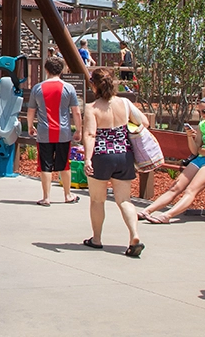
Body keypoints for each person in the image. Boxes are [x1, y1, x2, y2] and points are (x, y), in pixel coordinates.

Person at [81, 69, 145, 257]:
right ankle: (134, 235)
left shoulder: (92, 108)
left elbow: (90, 134)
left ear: (93, 85)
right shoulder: (125, 103)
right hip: (124, 155)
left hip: (101, 155)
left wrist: (87, 158)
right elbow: (143, 123)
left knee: (97, 199)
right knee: (125, 200)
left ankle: (97, 238)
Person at [140, 96, 205, 224]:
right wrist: (190, 137)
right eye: (199, 112)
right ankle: (147, 211)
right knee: (175, 187)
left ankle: (167, 215)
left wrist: (200, 149)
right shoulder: (203, 124)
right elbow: (195, 150)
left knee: (191, 190)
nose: (201, 114)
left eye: (204, 112)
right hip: (201, 158)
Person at [26, 57, 82, 206]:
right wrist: (78, 130)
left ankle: (46, 197)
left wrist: (30, 126)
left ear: (46, 70)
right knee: (64, 164)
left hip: (44, 132)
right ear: (62, 70)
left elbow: (31, 110)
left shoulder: (37, 88)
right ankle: (68, 195)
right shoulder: (68, 88)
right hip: (63, 131)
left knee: (45, 165)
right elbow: (76, 112)